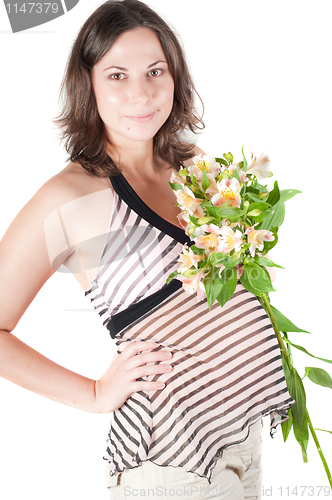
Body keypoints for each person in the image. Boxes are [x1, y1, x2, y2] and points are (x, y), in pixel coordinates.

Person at [0, 1, 293, 498]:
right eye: (117, 75)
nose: (140, 93)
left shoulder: (196, 167)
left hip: (241, 439)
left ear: (174, 76)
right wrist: (94, 394)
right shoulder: (68, 198)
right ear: (87, 84)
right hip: (169, 458)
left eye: (155, 71)